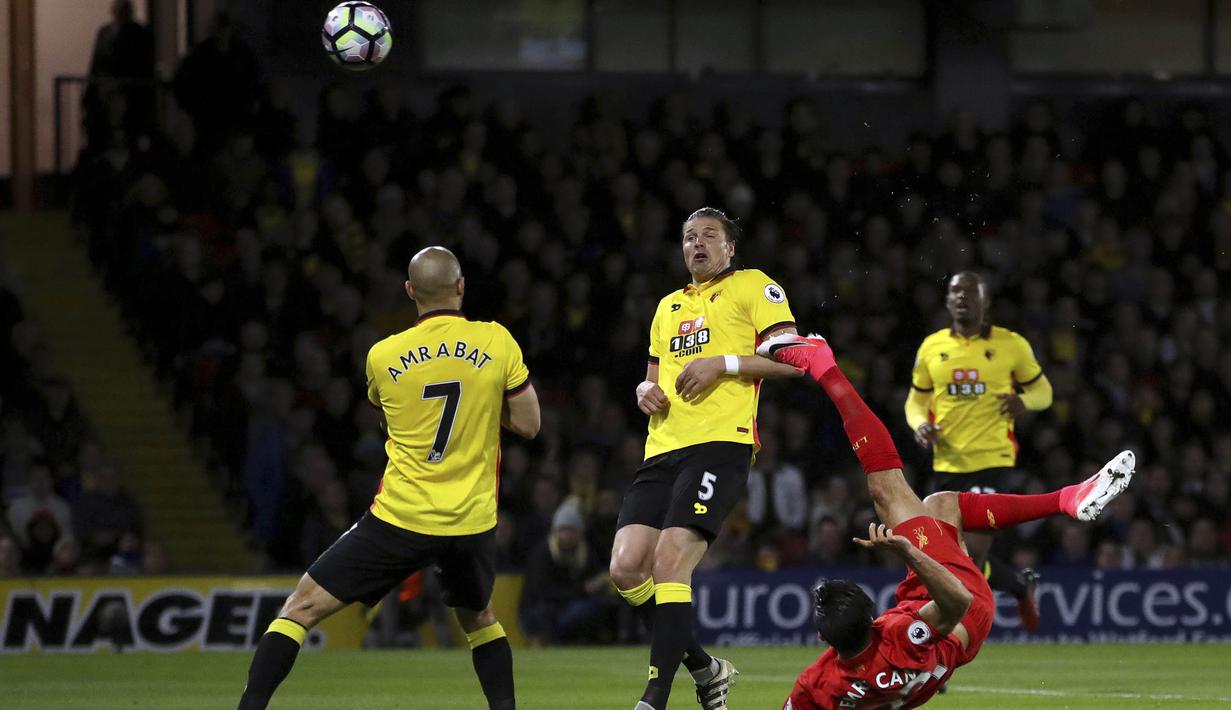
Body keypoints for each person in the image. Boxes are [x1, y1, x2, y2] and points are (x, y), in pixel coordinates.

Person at [236, 247, 541, 710]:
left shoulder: (383, 355)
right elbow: (530, 424)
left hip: (403, 517)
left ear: (410, 291)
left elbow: (388, 423)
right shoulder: (497, 341)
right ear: (461, 286)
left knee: (301, 607)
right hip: (470, 521)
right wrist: (482, 405)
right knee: (480, 619)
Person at [758, 333, 1132, 709]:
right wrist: (908, 551)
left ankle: (1059, 511)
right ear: (873, 618)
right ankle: (822, 363)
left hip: (953, 636)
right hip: (959, 604)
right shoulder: (898, 635)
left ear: (825, 640)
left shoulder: (817, 685)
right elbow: (957, 601)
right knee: (886, 488)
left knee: (942, 505)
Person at [610, 207, 803, 710]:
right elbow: (652, 378)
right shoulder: (668, 306)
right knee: (626, 569)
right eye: (689, 237)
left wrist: (724, 363)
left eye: (709, 236)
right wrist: (643, 391)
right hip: (662, 448)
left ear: (729, 248)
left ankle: (654, 698)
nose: (697, 243)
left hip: (720, 443)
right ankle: (705, 668)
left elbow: (794, 360)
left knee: (670, 562)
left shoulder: (753, 286)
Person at [903, 271, 1053, 630]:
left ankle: (952, 641)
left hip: (991, 461)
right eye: (955, 291)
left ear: (986, 302)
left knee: (970, 553)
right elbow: (915, 401)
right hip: (947, 464)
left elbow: (1044, 391)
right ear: (946, 301)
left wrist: (1024, 401)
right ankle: (1019, 587)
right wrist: (920, 424)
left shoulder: (1011, 345)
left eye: (971, 292)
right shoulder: (932, 347)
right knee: (951, 558)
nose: (962, 297)